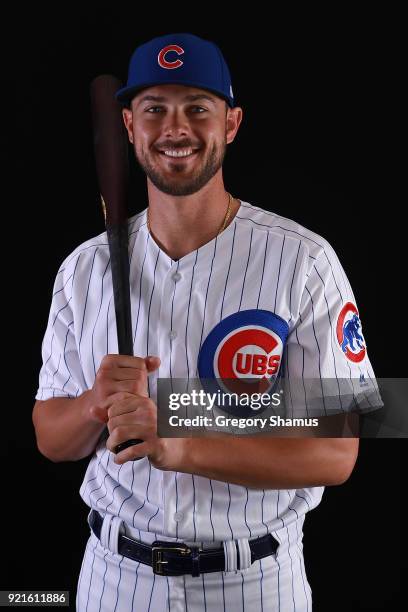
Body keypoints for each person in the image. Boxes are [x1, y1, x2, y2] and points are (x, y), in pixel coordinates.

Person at [33, 33, 382, 611]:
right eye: (155, 109)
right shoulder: (85, 268)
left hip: (253, 583)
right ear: (128, 126)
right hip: (114, 579)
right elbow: (50, 437)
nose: (176, 128)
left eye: (197, 108)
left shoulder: (304, 261)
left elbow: (336, 454)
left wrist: (179, 443)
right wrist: (95, 402)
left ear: (233, 123)